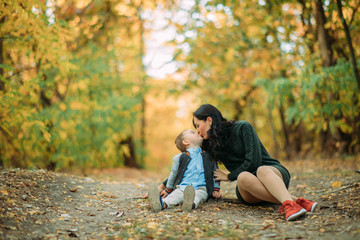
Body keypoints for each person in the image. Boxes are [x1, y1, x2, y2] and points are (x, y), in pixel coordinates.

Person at [192, 104, 317, 221]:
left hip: (272, 175)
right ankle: (295, 201)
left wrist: (228, 176)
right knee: (242, 177)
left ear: (209, 120)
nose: (197, 131)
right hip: (250, 189)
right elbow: (197, 165)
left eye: (198, 126)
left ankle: (290, 205)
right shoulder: (211, 144)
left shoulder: (242, 128)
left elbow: (254, 162)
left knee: (261, 170)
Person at [148, 129, 221, 212]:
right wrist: (169, 189)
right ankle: (161, 204)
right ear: (186, 142)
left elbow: (216, 172)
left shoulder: (209, 156)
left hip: (201, 188)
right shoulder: (179, 158)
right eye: (193, 133)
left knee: (198, 196)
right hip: (183, 187)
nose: (198, 131)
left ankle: (190, 204)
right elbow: (173, 174)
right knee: (175, 195)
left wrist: (216, 189)